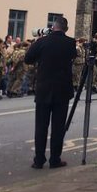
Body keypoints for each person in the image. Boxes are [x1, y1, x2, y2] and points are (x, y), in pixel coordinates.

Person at [25, 16, 78, 169]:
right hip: (62, 89)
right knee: (58, 127)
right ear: (65, 29)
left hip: (43, 88)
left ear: (52, 27)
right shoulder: (70, 43)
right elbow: (73, 57)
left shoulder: (41, 41)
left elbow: (28, 59)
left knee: (41, 126)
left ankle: (39, 159)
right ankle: (55, 159)